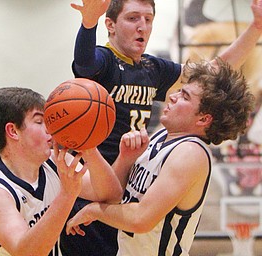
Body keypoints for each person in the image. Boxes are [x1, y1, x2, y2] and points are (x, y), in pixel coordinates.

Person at [60, 0, 262, 255]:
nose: (142, 26)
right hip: (97, 174)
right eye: (133, 18)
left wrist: (255, 29)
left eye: (148, 19)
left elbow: (211, 76)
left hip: (127, 176)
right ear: (110, 25)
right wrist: (88, 24)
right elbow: (85, 63)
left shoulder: (153, 69)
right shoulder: (105, 60)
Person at [0, 87, 122, 256]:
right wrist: (67, 195)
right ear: (13, 131)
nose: (50, 128)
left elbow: (111, 195)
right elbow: (26, 252)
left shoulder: (55, 164)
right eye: (40, 122)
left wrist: (88, 146)